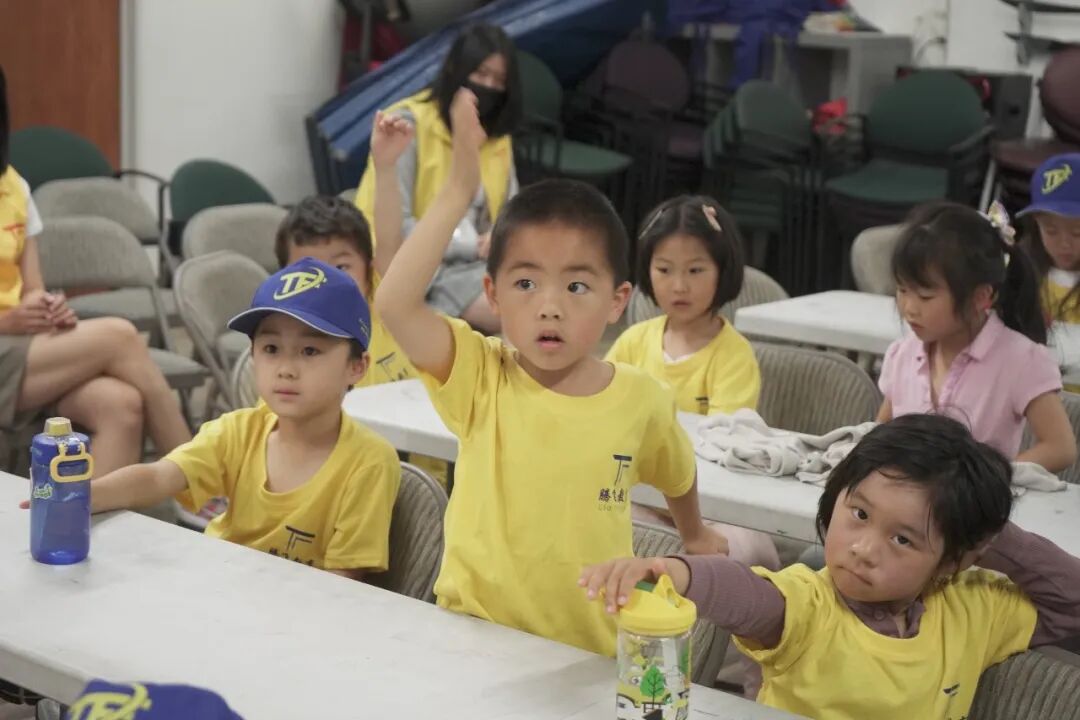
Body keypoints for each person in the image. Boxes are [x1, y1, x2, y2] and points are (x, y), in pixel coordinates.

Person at [375, 89, 726, 656]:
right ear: (492, 294)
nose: (550, 306)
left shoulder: (642, 399)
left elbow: (677, 473)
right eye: (525, 283)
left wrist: (696, 534)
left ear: (617, 301)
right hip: (470, 641)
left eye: (577, 285)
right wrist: (460, 190)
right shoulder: (480, 376)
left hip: (585, 654)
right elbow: (394, 303)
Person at [581, 414, 1080, 720]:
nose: (864, 548)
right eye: (859, 514)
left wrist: (987, 534)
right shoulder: (811, 602)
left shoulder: (972, 609)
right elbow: (748, 595)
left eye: (902, 539)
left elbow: (1070, 601)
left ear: (952, 560)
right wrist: (675, 571)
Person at [48, 258, 401, 578]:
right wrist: (81, 496)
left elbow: (342, 588)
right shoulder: (238, 431)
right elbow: (158, 476)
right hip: (219, 587)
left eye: (310, 351)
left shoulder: (369, 463)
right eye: (271, 349)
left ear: (357, 367)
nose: (286, 369)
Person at [0, 63, 191, 476]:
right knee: (120, 335)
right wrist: (8, 321)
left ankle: (83, 514)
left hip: (21, 349)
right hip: (6, 343)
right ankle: (197, 480)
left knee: (122, 405)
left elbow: (32, 287)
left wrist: (46, 308)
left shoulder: (13, 186)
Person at [878, 201, 1076, 473]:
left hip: (979, 500)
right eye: (902, 290)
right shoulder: (902, 354)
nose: (909, 308)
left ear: (981, 297)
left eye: (925, 296)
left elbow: (1060, 448)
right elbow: (881, 434)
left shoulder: (1020, 359)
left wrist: (985, 479)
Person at [355, 23, 522, 334]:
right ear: (457, 71)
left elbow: (511, 209)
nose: (488, 87)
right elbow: (392, 228)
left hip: (485, 264)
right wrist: (468, 245)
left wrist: (499, 234)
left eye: (499, 80)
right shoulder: (406, 125)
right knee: (517, 315)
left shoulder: (497, 138)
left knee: (540, 300)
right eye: (481, 74)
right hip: (426, 268)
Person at [607, 196, 760, 414]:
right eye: (664, 270)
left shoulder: (734, 357)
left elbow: (725, 433)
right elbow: (602, 406)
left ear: (723, 271)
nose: (679, 287)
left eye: (695, 270)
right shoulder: (632, 343)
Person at [1020, 153, 1080, 326]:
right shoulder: (1023, 270)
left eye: (1077, 233)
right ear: (1036, 223)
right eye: (1051, 231)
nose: (1064, 244)